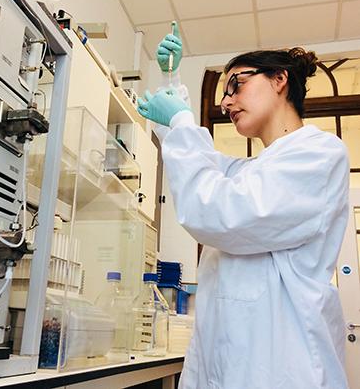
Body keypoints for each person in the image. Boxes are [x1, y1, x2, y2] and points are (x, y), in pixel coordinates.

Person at [137, 25, 350, 389]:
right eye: (222, 95)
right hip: (234, 363)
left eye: (236, 85)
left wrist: (182, 121)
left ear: (279, 79)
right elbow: (200, 165)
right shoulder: (252, 171)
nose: (226, 103)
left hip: (284, 367)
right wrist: (172, 80)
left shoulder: (318, 154)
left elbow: (220, 212)